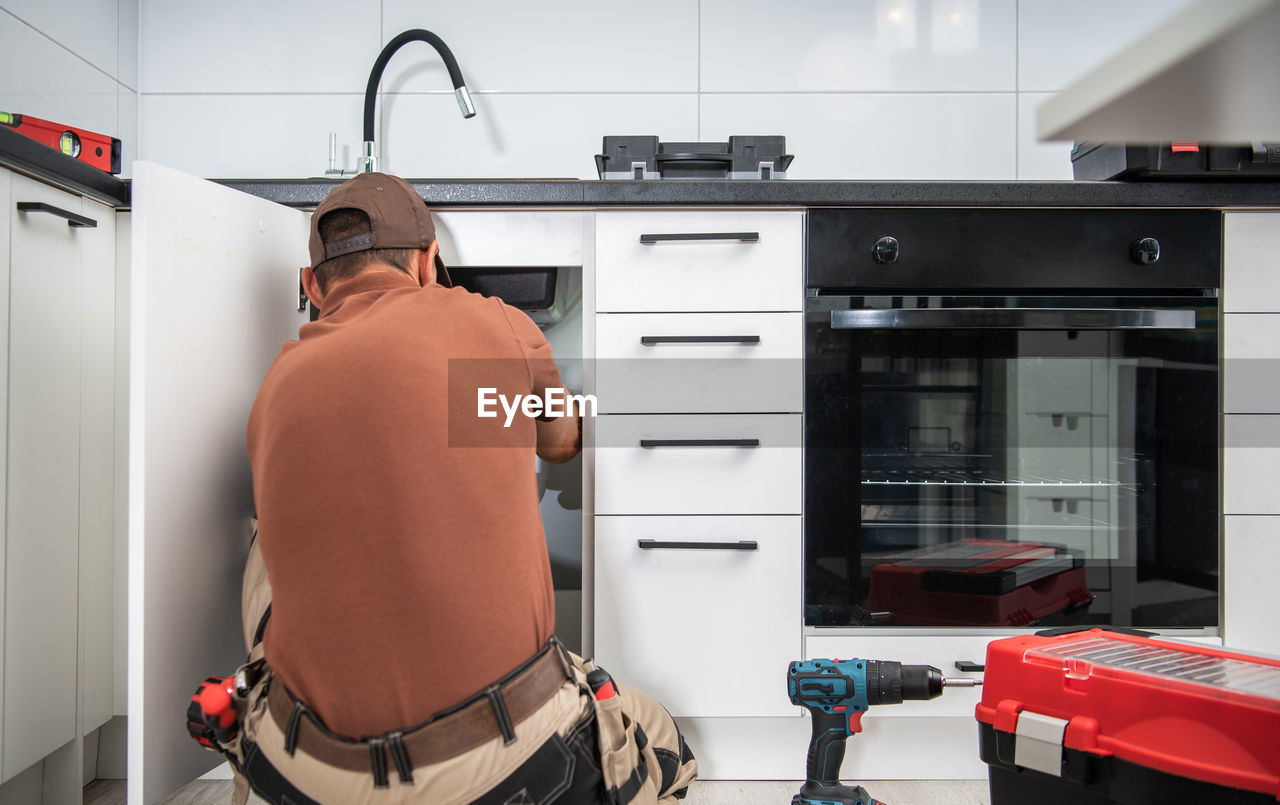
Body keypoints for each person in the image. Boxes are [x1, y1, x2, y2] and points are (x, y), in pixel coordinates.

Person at [218, 173, 697, 804]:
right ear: (428, 262)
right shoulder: (498, 323)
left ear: (311, 286)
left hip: (308, 772)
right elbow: (560, 443)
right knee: (667, 743)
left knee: (270, 539)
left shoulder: (275, 384)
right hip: (502, 767)